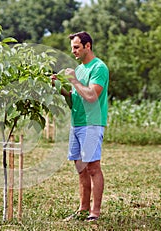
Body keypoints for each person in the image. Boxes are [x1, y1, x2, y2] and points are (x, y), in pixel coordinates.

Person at [51, 31, 109, 222]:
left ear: (87, 46)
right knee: (81, 169)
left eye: (76, 47)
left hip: (91, 124)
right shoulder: (80, 69)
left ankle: (95, 212)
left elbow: (92, 96)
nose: (73, 51)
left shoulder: (98, 68)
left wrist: (74, 80)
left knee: (93, 167)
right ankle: (83, 209)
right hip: (77, 124)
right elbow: (75, 99)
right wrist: (59, 88)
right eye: (72, 48)